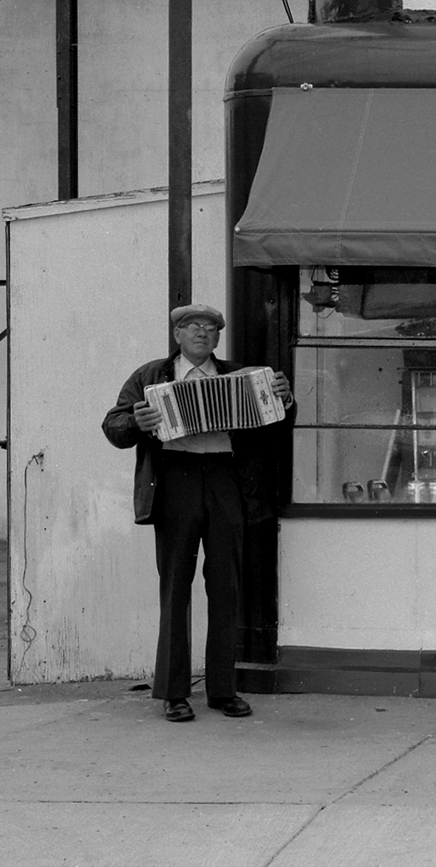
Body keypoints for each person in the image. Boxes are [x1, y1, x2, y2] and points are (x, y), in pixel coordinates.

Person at [102, 305, 294, 723]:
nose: (202, 334)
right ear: (177, 334)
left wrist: (284, 398)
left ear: (218, 338)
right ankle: (174, 692)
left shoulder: (242, 376)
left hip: (226, 479)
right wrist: (137, 421)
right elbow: (113, 427)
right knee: (175, 587)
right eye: (193, 327)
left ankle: (224, 690)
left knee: (226, 586)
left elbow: (278, 425)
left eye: (210, 329)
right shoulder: (150, 377)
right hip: (175, 482)